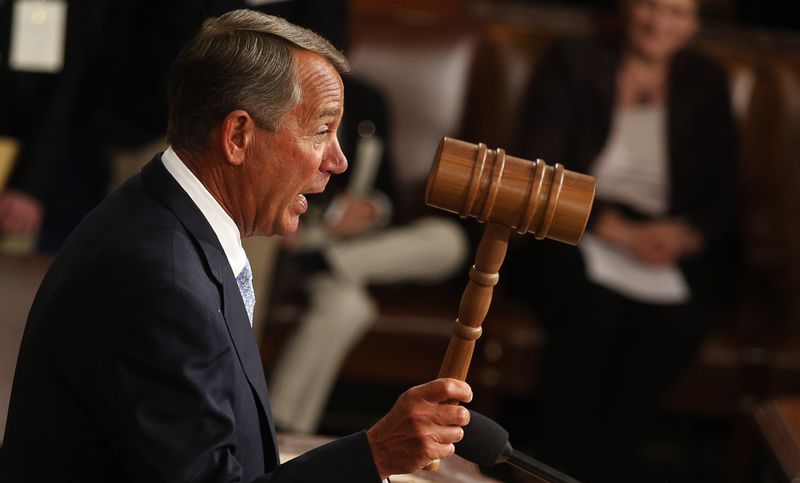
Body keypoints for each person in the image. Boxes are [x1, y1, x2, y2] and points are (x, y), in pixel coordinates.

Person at [1, 10, 472, 483]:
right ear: (238, 136)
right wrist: (374, 455)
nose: (339, 161)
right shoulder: (164, 282)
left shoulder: (166, 220)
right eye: (321, 131)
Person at [507, 0, 740, 480]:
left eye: (677, 13)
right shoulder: (574, 60)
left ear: (695, 24)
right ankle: (551, 468)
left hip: (664, 234)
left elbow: (727, 189)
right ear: (629, 8)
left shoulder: (707, 80)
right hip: (573, 221)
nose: (660, 23)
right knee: (593, 310)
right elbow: (538, 161)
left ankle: (608, 466)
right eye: (651, 6)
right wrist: (619, 231)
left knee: (675, 325)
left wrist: (685, 238)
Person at [267, 75, 468, 434]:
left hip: (365, 246)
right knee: (348, 308)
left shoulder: (370, 99)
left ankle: (328, 266)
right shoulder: (288, 94)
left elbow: (387, 191)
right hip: (303, 233)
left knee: (450, 240)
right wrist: (327, 214)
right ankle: (281, 435)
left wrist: (373, 209)